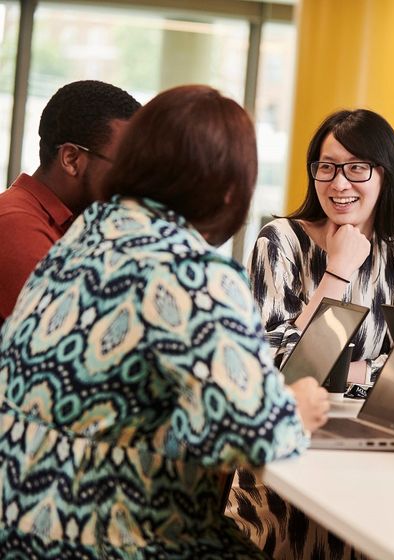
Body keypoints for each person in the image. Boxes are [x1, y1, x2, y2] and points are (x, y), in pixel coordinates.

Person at [0, 85, 329, 558]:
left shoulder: (82, 236)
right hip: (104, 535)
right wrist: (293, 409)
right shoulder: (193, 271)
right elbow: (248, 435)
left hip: (23, 522)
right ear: (230, 188)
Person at [249, 108, 394, 385]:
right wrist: (338, 270)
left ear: (385, 175)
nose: (339, 183)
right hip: (293, 415)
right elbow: (269, 364)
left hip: (376, 416)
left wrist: (337, 373)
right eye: (327, 167)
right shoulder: (280, 241)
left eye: (356, 168)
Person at [0, 80, 140, 328]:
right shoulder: (15, 225)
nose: (133, 180)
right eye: (124, 166)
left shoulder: (75, 224)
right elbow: (66, 335)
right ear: (71, 159)